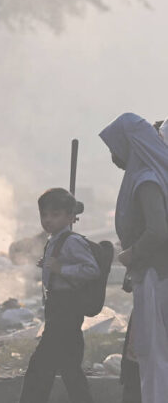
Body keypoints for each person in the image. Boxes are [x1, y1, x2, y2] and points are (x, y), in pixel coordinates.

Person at [100, 113, 168, 403]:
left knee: (154, 355)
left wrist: (132, 254)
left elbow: (158, 231)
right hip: (151, 274)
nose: (114, 156)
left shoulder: (146, 180)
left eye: (115, 147)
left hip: (155, 275)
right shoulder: (150, 176)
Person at [19, 188, 100, 403]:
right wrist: (49, 266)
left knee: (41, 365)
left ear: (71, 217)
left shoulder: (72, 241)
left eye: (55, 215)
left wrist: (60, 268)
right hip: (56, 307)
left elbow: (91, 270)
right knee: (69, 367)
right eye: (44, 215)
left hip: (67, 309)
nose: (48, 220)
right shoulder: (54, 239)